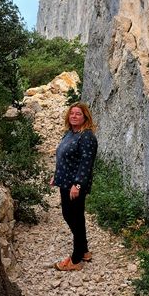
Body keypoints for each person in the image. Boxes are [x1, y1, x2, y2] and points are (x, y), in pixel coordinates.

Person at [52, 102, 98, 271]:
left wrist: (77, 185)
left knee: (74, 218)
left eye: (78, 114)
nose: (74, 116)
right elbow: (63, 156)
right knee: (72, 216)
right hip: (65, 181)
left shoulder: (87, 136)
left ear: (85, 117)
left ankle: (76, 259)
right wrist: (55, 176)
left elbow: (86, 163)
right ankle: (84, 250)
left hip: (75, 185)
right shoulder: (70, 133)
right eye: (72, 113)